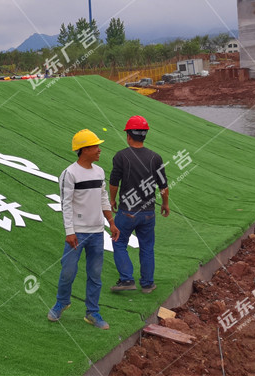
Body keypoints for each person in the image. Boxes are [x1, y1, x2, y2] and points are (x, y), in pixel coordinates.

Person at [48, 129, 119, 330]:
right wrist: (69, 232)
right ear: (84, 149)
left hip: (97, 232)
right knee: (68, 271)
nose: (99, 150)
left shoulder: (99, 172)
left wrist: (111, 222)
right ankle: (62, 302)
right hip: (77, 233)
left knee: (95, 275)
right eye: (95, 146)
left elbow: (103, 198)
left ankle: (92, 312)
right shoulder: (69, 174)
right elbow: (66, 204)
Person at [108, 115, 169, 294]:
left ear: (128, 135)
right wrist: (165, 204)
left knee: (119, 242)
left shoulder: (121, 156)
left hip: (127, 211)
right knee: (147, 247)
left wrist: (112, 200)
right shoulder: (155, 158)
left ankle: (127, 279)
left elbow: (114, 183)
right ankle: (148, 284)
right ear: (144, 135)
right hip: (148, 212)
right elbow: (163, 186)